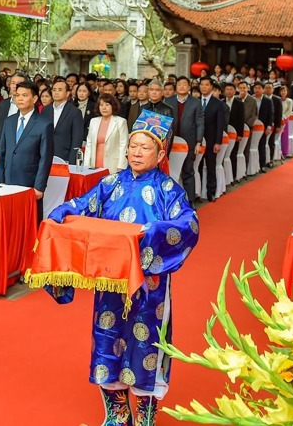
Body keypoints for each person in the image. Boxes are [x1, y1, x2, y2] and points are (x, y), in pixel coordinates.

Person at [45, 109, 198, 426]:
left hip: (149, 288)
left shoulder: (169, 190)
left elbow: (189, 225)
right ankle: (117, 414)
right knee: (107, 339)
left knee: (146, 346)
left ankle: (144, 417)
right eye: (133, 146)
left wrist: (157, 232)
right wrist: (63, 210)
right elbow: (83, 205)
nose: (137, 152)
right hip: (111, 283)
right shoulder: (110, 183)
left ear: (160, 153)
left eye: (145, 147)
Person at [0, 80, 54, 224]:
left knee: (28, 223)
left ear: (34, 99)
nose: (20, 99)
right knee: (8, 222)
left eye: (24, 95)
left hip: (29, 183)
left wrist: (39, 187)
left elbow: (45, 158)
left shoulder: (44, 124)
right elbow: (2, 154)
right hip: (7, 183)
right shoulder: (9, 121)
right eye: (17, 95)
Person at [165, 77, 204, 203]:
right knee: (171, 171)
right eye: (179, 84)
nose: (182, 86)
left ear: (189, 87)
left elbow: (199, 122)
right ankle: (170, 200)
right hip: (171, 142)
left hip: (189, 142)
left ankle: (190, 200)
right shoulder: (168, 101)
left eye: (184, 84)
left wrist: (199, 142)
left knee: (188, 171)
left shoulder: (196, 102)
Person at [42, 78, 84, 164]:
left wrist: (72, 162)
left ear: (68, 93)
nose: (56, 92)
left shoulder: (75, 112)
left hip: (65, 158)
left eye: (60, 90)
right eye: (54, 90)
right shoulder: (45, 110)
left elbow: (77, 139)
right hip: (45, 157)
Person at [84, 94, 128, 174]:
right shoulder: (93, 121)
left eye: (107, 105)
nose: (104, 108)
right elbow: (89, 144)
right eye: (101, 105)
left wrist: (121, 165)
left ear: (113, 106)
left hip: (113, 164)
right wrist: (86, 165)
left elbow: (123, 144)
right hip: (95, 162)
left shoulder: (120, 122)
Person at [198, 78, 226, 200]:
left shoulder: (218, 103)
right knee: (197, 167)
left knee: (210, 166)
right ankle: (197, 192)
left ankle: (211, 191)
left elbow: (220, 125)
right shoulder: (194, 102)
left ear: (211, 87)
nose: (204, 87)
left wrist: (217, 142)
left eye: (206, 85)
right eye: (202, 85)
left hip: (210, 140)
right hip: (197, 141)